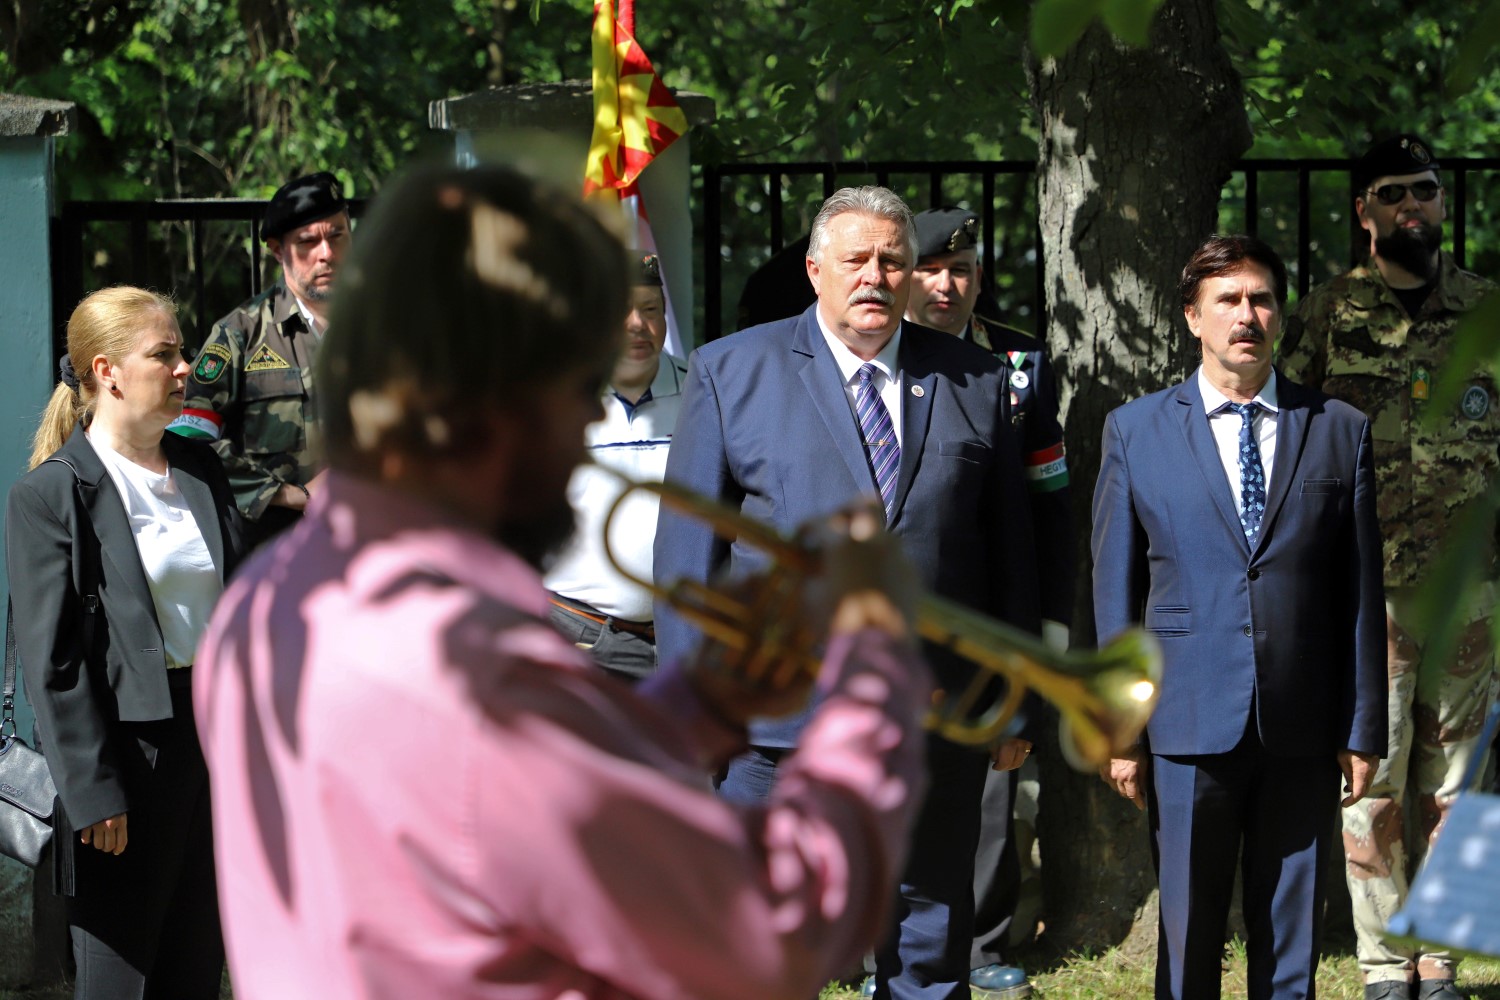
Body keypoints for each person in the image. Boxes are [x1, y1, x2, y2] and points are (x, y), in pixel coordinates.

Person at [192, 163, 937, 1000]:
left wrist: (701, 703)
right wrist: (867, 679)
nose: (590, 416)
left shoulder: (267, 600)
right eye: (577, 379)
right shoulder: (484, 675)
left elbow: (497, 816)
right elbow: (769, 939)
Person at [654, 185, 1043, 1000]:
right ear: (815, 269)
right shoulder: (733, 371)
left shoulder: (977, 379)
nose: (875, 276)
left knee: (930, 939)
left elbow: (1011, 555)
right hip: (774, 727)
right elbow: (688, 563)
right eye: (857, 259)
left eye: (893, 260)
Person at [1093, 234, 1386, 999]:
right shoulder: (1136, 431)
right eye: (1227, 300)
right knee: (1188, 933)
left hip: (1302, 723)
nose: (1246, 315)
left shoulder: (1339, 429)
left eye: (1261, 299)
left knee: (1291, 942)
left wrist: (1362, 727)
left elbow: (1360, 590)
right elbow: (1116, 591)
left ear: (1280, 316)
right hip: (1184, 720)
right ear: (1193, 316)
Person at [1279, 135, 1498, 1000]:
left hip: (1473, 588)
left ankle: (1441, 957)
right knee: (1370, 775)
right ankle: (1382, 961)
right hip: (1363, 592)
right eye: (1394, 193)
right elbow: (1285, 440)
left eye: (1427, 190)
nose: (1414, 206)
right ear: (1364, 211)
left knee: (1463, 781)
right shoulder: (1325, 315)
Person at [6, 287, 244, 998]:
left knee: (197, 967)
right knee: (120, 976)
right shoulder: (51, 495)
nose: (185, 368)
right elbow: (53, 663)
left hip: (215, 744)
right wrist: (93, 790)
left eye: (182, 351)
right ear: (107, 371)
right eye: (164, 354)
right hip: (127, 760)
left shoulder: (200, 470)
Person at [907, 207, 1075, 998]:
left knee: (993, 782)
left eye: (961, 270)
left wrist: (1048, 624)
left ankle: (980, 943)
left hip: (992, 608)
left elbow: (1048, 502)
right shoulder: (871, 354)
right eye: (931, 270)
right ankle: (884, 950)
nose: (946, 286)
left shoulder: (1020, 363)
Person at [170, 170, 350, 547]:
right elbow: (187, 439)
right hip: (278, 550)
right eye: (307, 242)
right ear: (277, 250)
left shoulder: (390, 329)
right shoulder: (240, 334)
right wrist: (290, 495)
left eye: (337, 235)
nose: (327, 253)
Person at [543, 251, 688, 682]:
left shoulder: (705, 391)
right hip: (581, 638)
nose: (636, 324)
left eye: (650, 309)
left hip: (682, 640)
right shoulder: (556, 400)